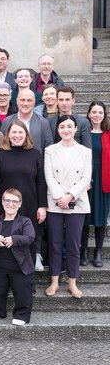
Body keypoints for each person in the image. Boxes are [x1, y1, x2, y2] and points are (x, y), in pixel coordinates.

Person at [44, 115, 91, 299]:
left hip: (77, 201)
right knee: (55, 243)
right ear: (58, 130)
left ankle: (72, 282)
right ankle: (54, 281)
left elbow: (86, 178)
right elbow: (49, 176)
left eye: (69, 126)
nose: (66, 130)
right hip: (55, 202)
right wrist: (60, 197)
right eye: (62, 127)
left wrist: (70, 195)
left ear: (76, 129)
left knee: (73, 244)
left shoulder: (85, 151)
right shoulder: (50, 150)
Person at [0, 120, 47, 272]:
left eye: (20, 132)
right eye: (13, 132)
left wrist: (42, 206)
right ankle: (6, 278)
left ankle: (28, 280)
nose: (17, 135)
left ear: (26, 135)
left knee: (29, 242)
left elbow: (41, 182)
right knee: (5, 239)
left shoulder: (35, 154)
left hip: (30, 204)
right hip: (6, 206)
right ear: (8, 135)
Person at [0, 188, 36, 326]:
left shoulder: (25, 221)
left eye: (14, 201)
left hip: (20, 266)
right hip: (0, 265)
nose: (10, 204)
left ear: (20, 204)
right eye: (7, 200)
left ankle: (22, 314)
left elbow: (30, 237)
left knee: (22, 292)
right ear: (2, 202)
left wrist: (14, 239)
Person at [82, 101, 110, 267]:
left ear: (104, 114)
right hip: (85, 179)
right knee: (84, 215)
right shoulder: (83, 132)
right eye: (94, 112)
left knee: (101, 216)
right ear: (89, 114)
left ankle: (98, 251)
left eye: (100, 112)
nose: (97, 115)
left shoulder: (107, 134)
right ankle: (83, 250)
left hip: (103, 179)